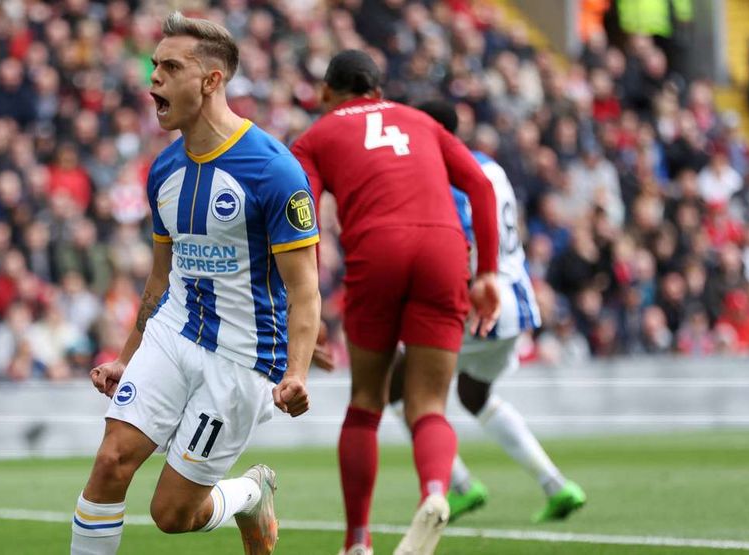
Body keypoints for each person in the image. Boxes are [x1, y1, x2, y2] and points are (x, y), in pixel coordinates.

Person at [72, 13, 321, 555]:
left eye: (169, 67)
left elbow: (304, 289)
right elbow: (160, 278)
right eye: (153, 65)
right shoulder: (164, 170)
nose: (153, 78)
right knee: (111, 461)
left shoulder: (273, 171)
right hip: (173, 332)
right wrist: (126, 357)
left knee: (172, 515)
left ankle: (250, 494)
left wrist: (297, 372)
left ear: (211, 80)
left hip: (241, 357)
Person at [291, 51, 501, 555]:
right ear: (378, 91)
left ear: (325, 92)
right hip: (444, 250)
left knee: (366, 402)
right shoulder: (421, 121)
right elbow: (479, 185)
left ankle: (357, 542)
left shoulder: (315, 138)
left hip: (377, 249)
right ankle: (435, 491)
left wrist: (307, 305)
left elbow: (303, 215)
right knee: (429, 405)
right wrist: (487, 273)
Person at [389, 101, 587, 526]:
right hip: (516, 303)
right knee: (473, 394)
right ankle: (556, 485)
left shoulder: (445, 176)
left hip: (478, 306)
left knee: (399, 388)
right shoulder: (489, 165)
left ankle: (457, 487)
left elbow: (460, 249)